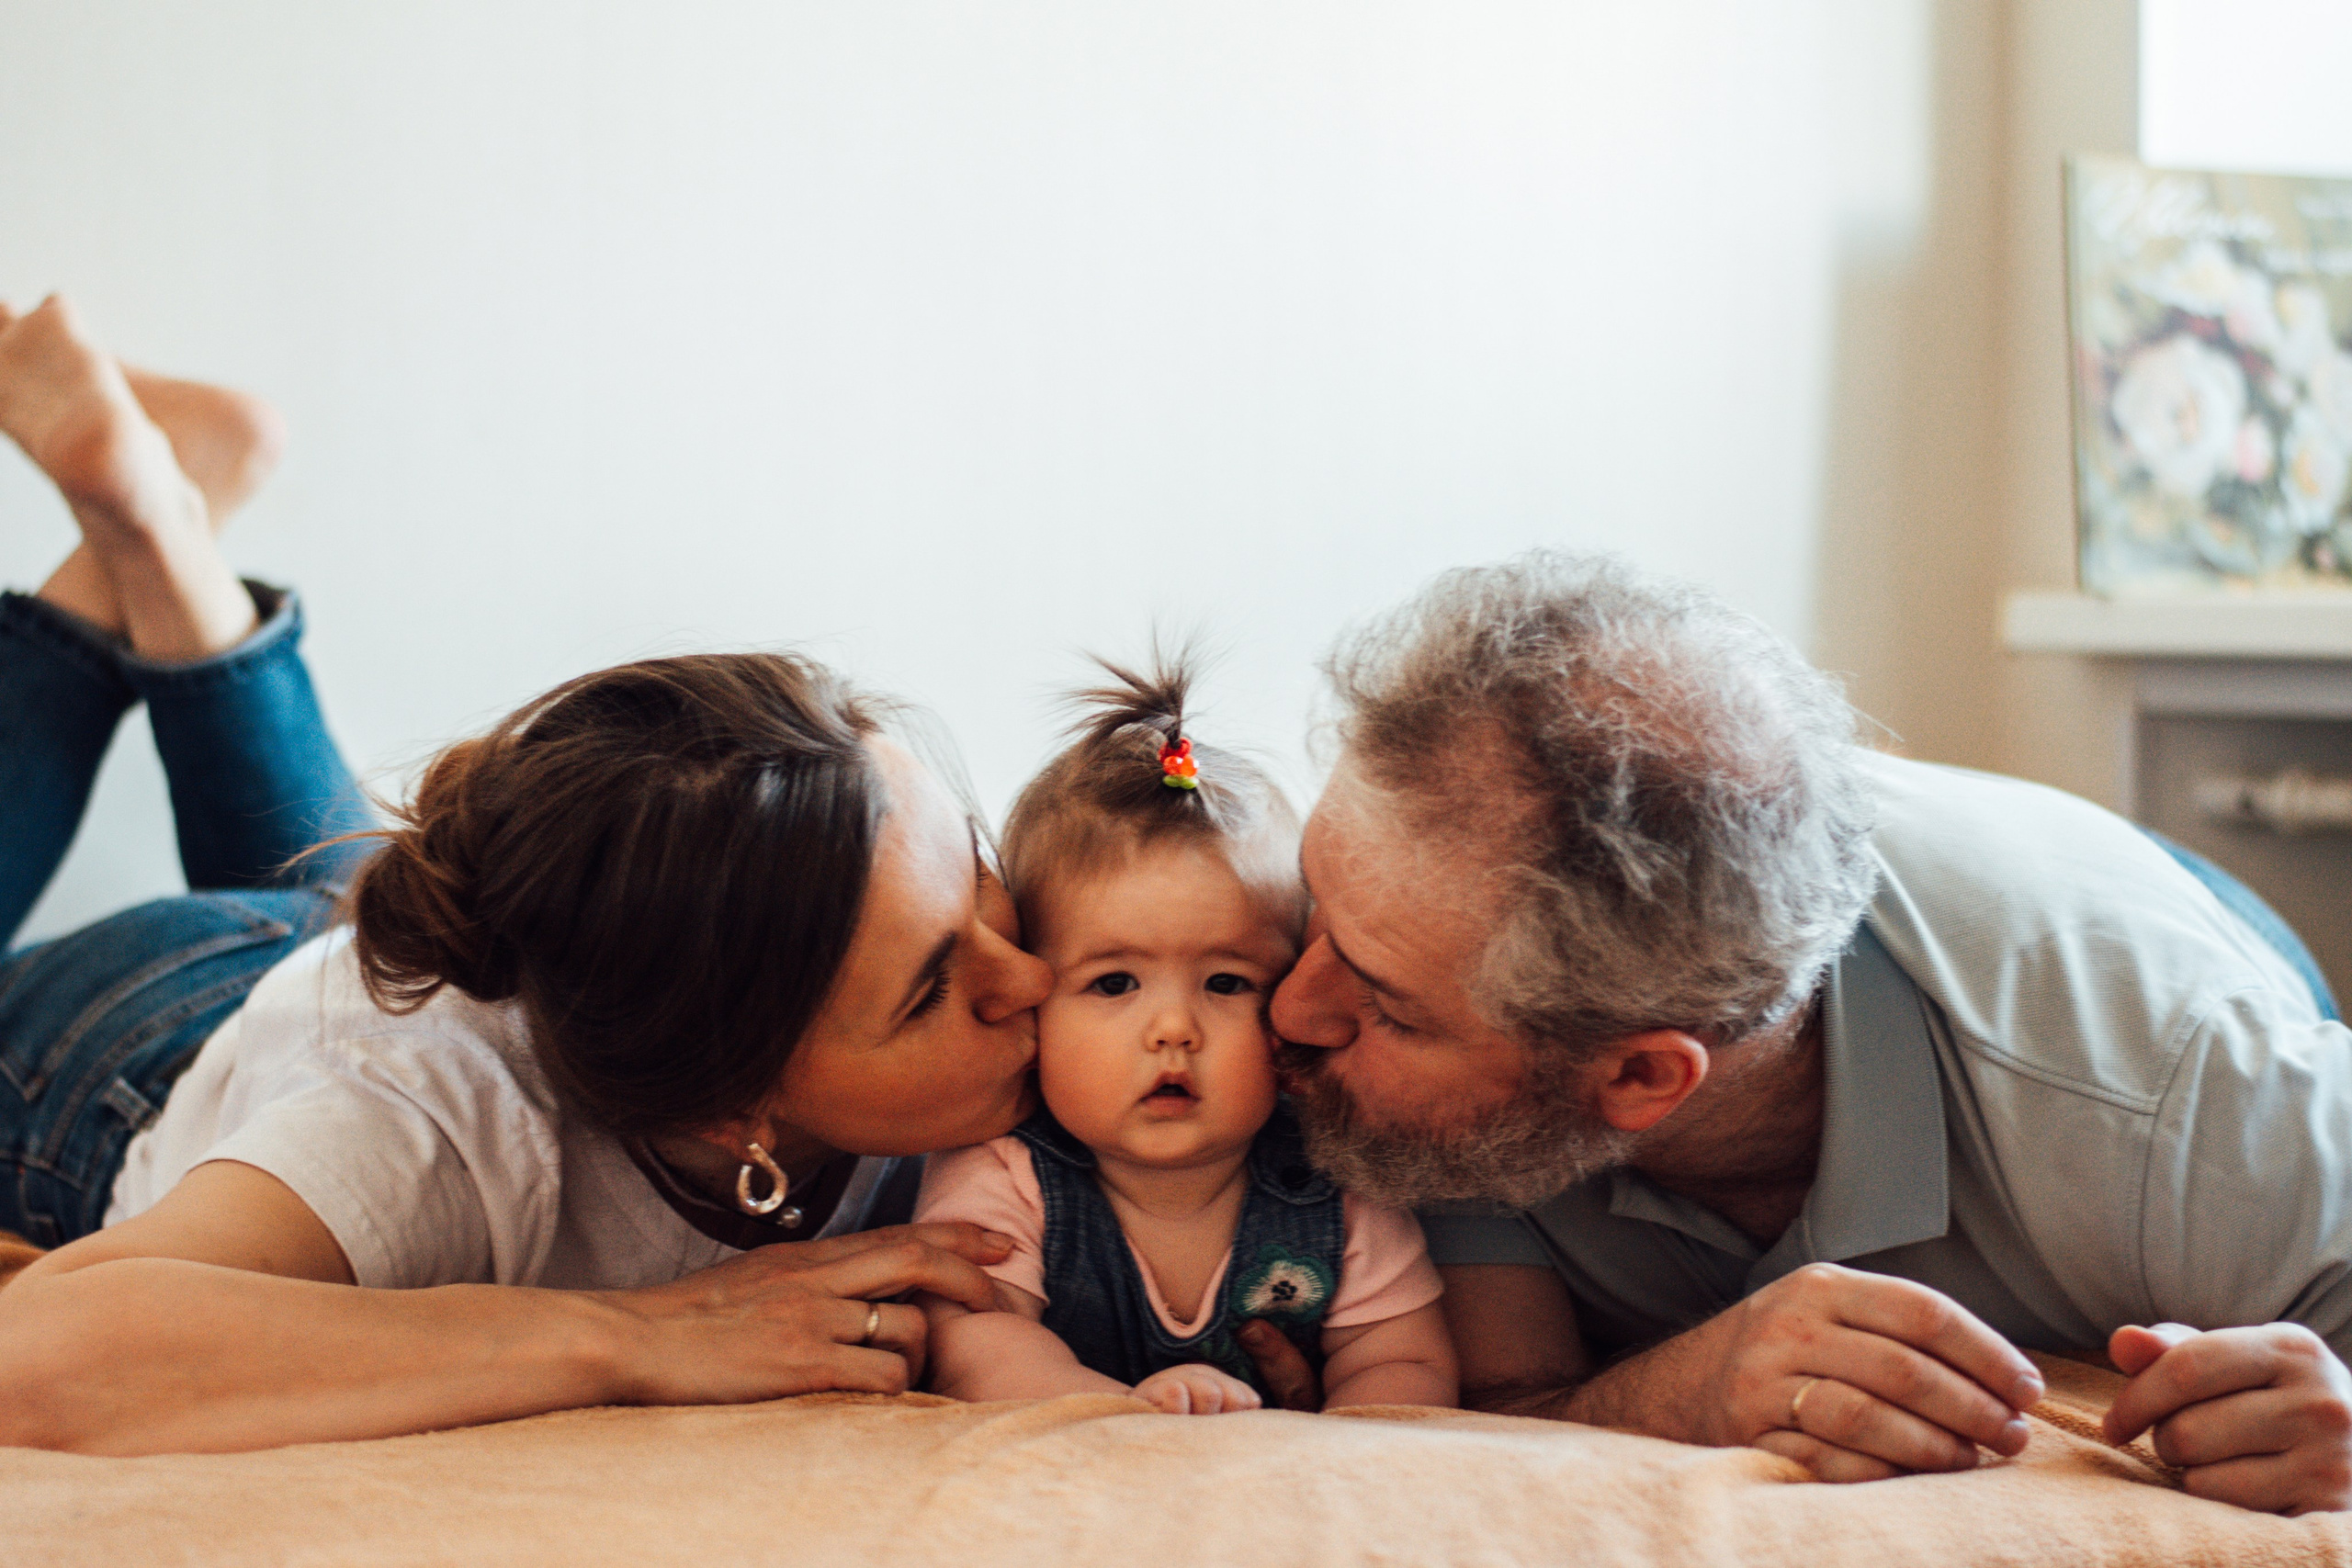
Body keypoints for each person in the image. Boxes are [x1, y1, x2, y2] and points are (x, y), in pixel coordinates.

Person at [0, 296, 1052, 1455]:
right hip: (118, 1051)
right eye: (931, 986)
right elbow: (34, 1361)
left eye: (979, 868)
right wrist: (634, 1335)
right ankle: (150, 527)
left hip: (383, 950)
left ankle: (158, 517)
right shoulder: (427, 1129)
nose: (1033, 974)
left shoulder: (621, 925)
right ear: (728, 1107)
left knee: (352, 888)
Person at [1262, 552, 2352, 1516]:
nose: (1284, 1010)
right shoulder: (1432, 934)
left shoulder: (2179, 1106)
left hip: (2144, 926)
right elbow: (1489, 1404)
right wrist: (1669, 1391)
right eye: (1316, 908)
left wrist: (2334, 1416)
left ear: (1641, 1075)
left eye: (1382, 1004)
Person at [914, 660, 1455, 1413]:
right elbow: (978, 1351)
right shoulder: (1004, 1173)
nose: (1174, 1029)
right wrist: (1131, 1418)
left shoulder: (1334, 1180)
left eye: (1227, 983)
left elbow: (1404, 1358)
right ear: (1033, 1002)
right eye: (1114, 983)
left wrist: (1342, 1437)